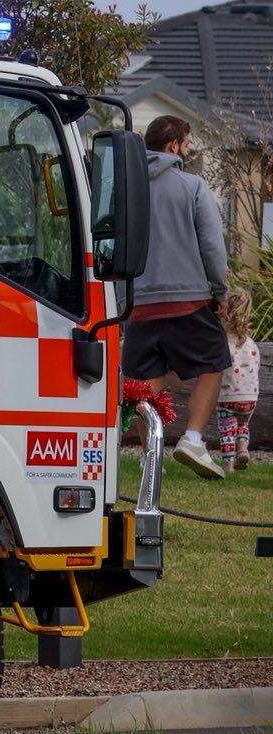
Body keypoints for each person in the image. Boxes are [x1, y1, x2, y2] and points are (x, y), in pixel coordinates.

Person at [122, 117, 231, 479]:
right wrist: (220, 291)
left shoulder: (126, 189)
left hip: (137, 304)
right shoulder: (193, 186)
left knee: (141, 383)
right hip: (188, 299)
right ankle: (194, 439)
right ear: (174, 146)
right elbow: (213, 246)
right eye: (187, 144)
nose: (188, 150)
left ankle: (150, 454)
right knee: (214, 361)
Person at [215, 291, 259, 473]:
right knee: (242, 425)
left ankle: (229, 466)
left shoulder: (222, 342)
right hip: (250, 398)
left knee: (227, 431)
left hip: (227, 396)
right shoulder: (250, 344)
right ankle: (243, 449)